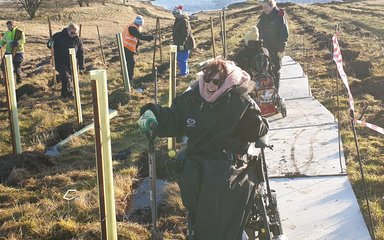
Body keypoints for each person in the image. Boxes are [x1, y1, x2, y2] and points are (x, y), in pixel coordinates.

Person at [138, 59, 269, 240]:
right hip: (198, 159)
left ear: (227, 82)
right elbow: (173, 117)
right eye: (207, 79)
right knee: (191, 177)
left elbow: (258, 129)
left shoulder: (240, 101)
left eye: (216, 81)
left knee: (220, 187)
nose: (210, 85)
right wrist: (152, 113)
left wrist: (253, 125)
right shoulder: (191, 99)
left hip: (230, 162)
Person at [257, 0, 289, 92]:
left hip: (275, 49)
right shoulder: (263, 17)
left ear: (272, 6)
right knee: (265, 71)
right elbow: (258, 30)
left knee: (275, 71)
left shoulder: (279, 16)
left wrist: (281, 49)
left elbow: (284, 34)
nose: (264, 9)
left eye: (266, 7)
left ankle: (275, 93)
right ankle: (267, 93)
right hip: (263, 50)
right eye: (263, 7)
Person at [47, 22, 84, 99]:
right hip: (60, 62)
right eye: (72, 32)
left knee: (68, 79)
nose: (73, 34)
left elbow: (80, 53)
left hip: (72, 63)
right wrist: (50, 43)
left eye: (75, 33)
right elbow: (49, 45)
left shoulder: (77, 40)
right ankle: (70, 94)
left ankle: (64, 95)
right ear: (68, 30)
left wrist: (81, 66)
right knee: (66, 77)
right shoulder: (58, 36)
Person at [122, 15, 154, 83]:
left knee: (128, 62)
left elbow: (137, 37)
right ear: (139, 23)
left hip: (128, 47)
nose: (141, 26)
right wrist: (151, 37)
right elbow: (140, 36)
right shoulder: (132, 28)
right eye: (140, 24)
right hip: (127, 47)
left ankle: (126, 76)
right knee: (131, 63)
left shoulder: (134, 26)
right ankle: (129, 78)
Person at [172, 6, 195, 77]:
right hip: (179, 43)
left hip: (184, 44)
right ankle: (184, 71)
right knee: (180, 58)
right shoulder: (179, 19)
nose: (174, 16)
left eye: (175, 14)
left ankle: (184, 73)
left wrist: (182, 44)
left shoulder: (183, 21)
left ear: (178, 14)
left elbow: (185, 33)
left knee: (182, 59)